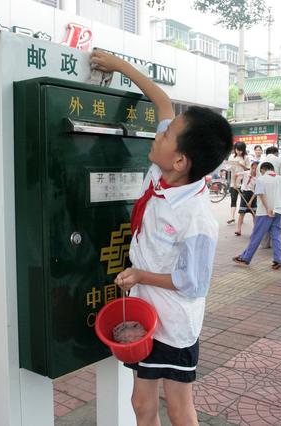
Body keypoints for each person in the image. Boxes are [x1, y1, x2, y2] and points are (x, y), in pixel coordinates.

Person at [90, 49, 232, 426]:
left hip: (174, 323)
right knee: (141, 401)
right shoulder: (163, 170)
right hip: (144, 312)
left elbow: (193, 283)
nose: (159, 133)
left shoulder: (196, 217)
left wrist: (139, 276)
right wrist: (118, 65)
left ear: (181, 160)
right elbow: (162, 101)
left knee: (179, 406)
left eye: (166, 134)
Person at [232, 162, 281, 270]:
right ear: (272, 169)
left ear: (263, 170)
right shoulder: (280, 178)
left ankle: (246, 258)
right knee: (276, 236)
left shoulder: (261, 179)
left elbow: (261, 194)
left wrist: (268, 207)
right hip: (278, 211)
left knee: (256, 236)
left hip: (264, 212)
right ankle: (278, 260)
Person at [227, 141, 249, 224]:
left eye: (241, 150)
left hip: (244, 182)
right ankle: (231, 217)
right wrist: (231, 165)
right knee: (233, 199)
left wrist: (241, 165)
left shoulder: (246, 157)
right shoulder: (231, 157)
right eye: (237, 150)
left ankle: (241, 217)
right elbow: (228, 168)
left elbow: (248, 169)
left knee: (243, 200)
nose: (239, 152)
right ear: (235, 149)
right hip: (234, 181)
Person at [235, 161, 258, 237]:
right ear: (251, 167)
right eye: (253, 168)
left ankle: (255, 231)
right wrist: (235, 184)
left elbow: (256, 191)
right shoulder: (245, 173)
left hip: (253, 196)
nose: (254, 170)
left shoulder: (258, 178)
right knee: (242, 213)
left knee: (254, 214)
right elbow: (236, 175)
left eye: (256, 169)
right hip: (244, 194)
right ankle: (238, 229)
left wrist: (250, 201)